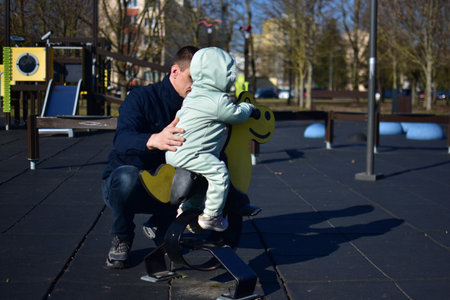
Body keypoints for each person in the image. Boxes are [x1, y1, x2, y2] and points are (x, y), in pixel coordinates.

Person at [102, 45, 199, 269]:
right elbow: (122, 140)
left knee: (207, 171)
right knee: (127, 175)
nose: (196, 85)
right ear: (175, 71)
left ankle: (160, 225)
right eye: (192, 77)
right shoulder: (141, 97)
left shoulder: (197, 107)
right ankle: (122, 237)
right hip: (128, 186)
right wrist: (153, 139)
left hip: (167, 188)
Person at [166, 47, 255, 232]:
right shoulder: (217, 100)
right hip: (193, 153)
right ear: (222, 75)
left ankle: (188, 208)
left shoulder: (193, 95)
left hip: (175, 150)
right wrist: (247, 107)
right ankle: (212, 216)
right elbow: (236, 115)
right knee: (219, 174)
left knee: (204, 180)